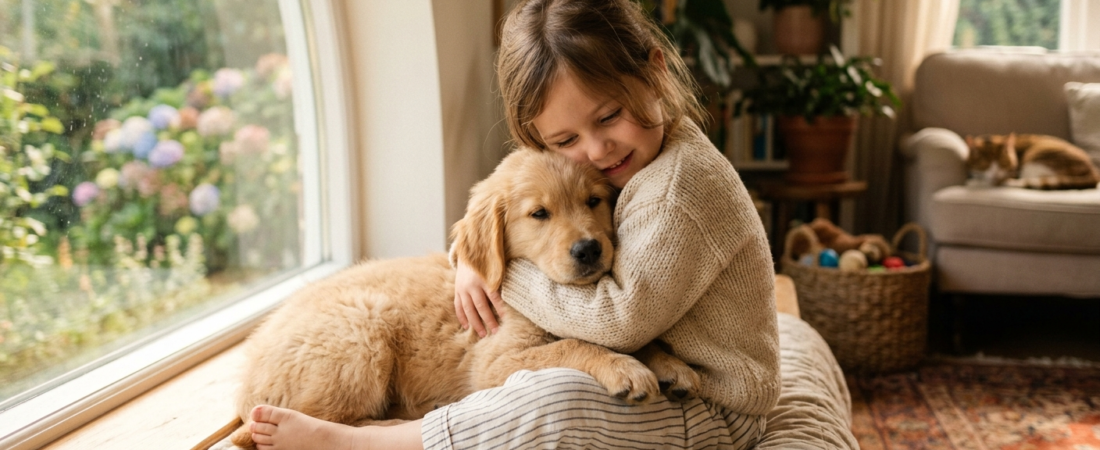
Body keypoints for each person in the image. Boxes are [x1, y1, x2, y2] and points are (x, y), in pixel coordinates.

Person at [246, 0, 779, 448]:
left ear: (657, 72)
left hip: (721, 410)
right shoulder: (627, 162)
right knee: (537, 387)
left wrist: (506, 272)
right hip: (330, 345)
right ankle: (347, 436)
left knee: (556, 397)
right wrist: (475, 259)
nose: (594, 150)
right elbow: (498, 364)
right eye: (567, 141)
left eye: (608, 116)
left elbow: (621, 319)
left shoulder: (678, 188)